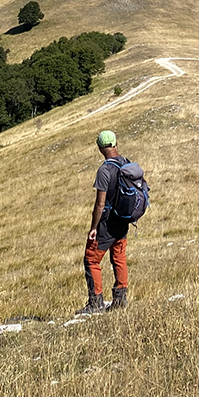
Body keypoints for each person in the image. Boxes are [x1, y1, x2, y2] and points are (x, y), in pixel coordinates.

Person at [78, 130, 131, 314]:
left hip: (107, 224)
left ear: (100, 147)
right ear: (116, 143)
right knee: (119, 258)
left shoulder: (104, 170)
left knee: (91, 260)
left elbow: (100, 204)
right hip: (123, 221)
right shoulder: (126, 163)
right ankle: (120, 299)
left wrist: (93, 228)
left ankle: (95, 303)